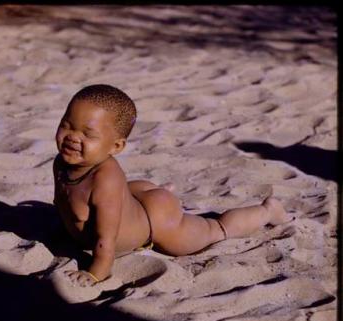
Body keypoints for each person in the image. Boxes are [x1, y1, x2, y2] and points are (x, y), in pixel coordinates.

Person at [52, 84, 291, 287]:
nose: (73, 137)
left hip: (155, 221)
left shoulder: (105, 180)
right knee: (129, 198)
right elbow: (63, 199)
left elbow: (106, 239)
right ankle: (159, 191)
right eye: (67, 125)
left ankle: (268, 210)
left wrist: (95, 273)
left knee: (213, 230)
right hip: (134, 195)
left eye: (88, 134)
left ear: (116, 147)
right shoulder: (61, 162)